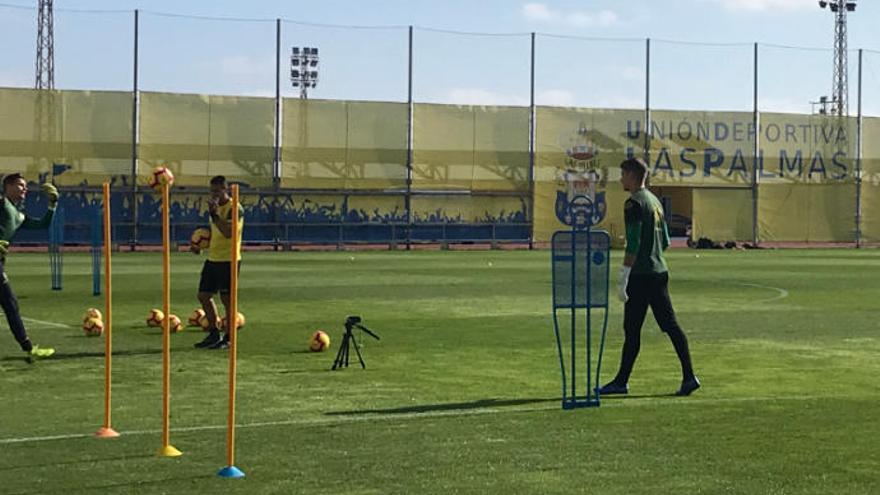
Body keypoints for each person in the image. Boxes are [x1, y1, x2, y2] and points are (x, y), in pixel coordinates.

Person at [598, 158, 700, 396]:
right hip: (659, 271)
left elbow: (633, 243)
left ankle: (621, 382)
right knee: (671, 326)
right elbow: (664, 240)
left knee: (632, 329)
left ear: (632, 176)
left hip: (641, 275)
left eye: (623, 174)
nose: (621, 179)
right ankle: (688, 375)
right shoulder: (655, 201)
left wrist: (623, 277)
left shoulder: (633, 204)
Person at [0, 173, 59, 362]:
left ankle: (28, 348)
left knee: (10, 305)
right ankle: (28, 347)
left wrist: (52, 205)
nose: (24, 189)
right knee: (10, 303)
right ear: (7, 186)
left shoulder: (18, 214)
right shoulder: (1, 203)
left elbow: (42, 224)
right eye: (20, 185)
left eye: (25, 186)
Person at [193, 175, 243, 350]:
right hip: (213, 258)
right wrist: (199, 245)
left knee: (227, 299)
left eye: (217, 190)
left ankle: (229, 338)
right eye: (212, 191)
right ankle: (214, 333)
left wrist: (214, 214)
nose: (214, 194)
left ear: (226, 189)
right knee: (203, 295)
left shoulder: (234, 208)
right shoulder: (213, 209)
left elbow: (228, 232)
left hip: (229, 260)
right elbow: (215, 233)